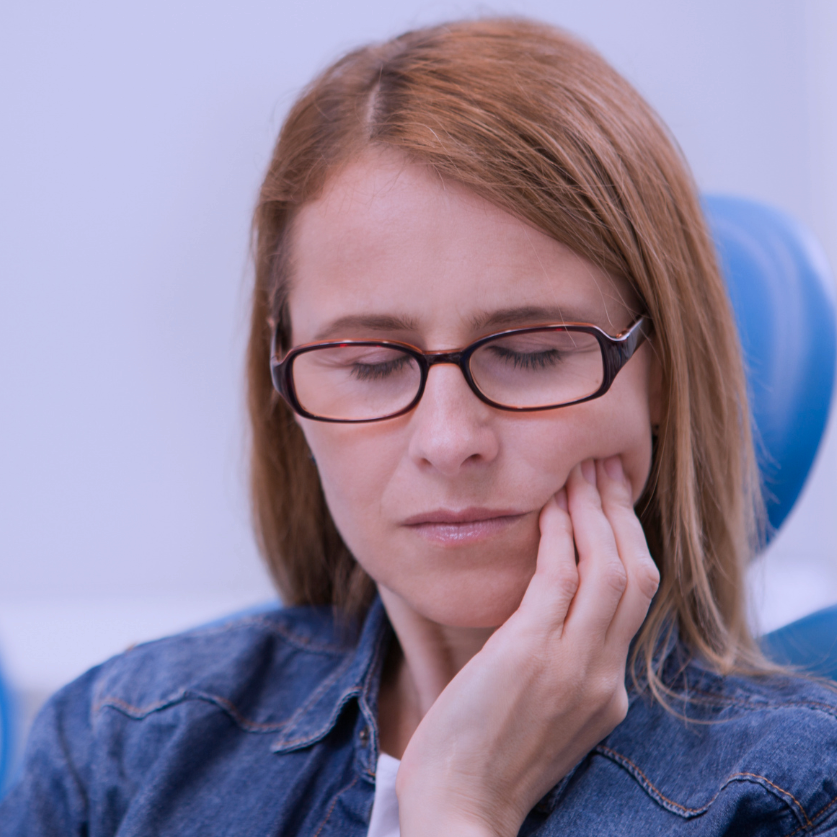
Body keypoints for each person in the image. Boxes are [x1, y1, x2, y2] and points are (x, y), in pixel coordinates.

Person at [3, 17, 837, 837]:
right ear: (283, 378)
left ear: (664, 370)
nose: (447, 439)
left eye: (533, 352)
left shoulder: (795, 795)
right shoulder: (121, 742)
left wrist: (459, 806)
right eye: (369, 363)